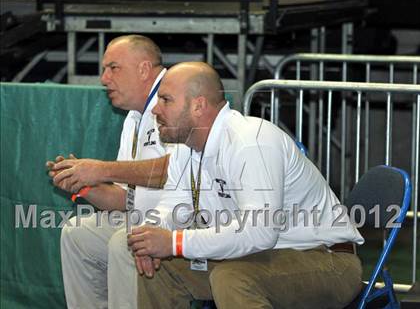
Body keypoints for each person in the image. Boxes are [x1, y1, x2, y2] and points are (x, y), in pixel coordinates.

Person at [127, 62, 365, 309]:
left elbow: (259, 231)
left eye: (166, 100)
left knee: (232, 277)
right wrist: (151, 235)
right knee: (163, 269)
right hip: (256, 256)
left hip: (325, 260)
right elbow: (174, 208)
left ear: (198, 105)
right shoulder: (186, 149)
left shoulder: (251, 141)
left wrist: (175, 242)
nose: (155, 108)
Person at [46, 35, 169, 309]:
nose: (104, 79)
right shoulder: (134, 116)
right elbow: (125, 199)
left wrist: (100, 169)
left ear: (143, 69)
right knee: (77, 234)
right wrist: (83, 184)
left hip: (195, 216)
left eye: (114, 68)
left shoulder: (174, 100)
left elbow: (174, 171)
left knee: (122, 242)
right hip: (149, 216)